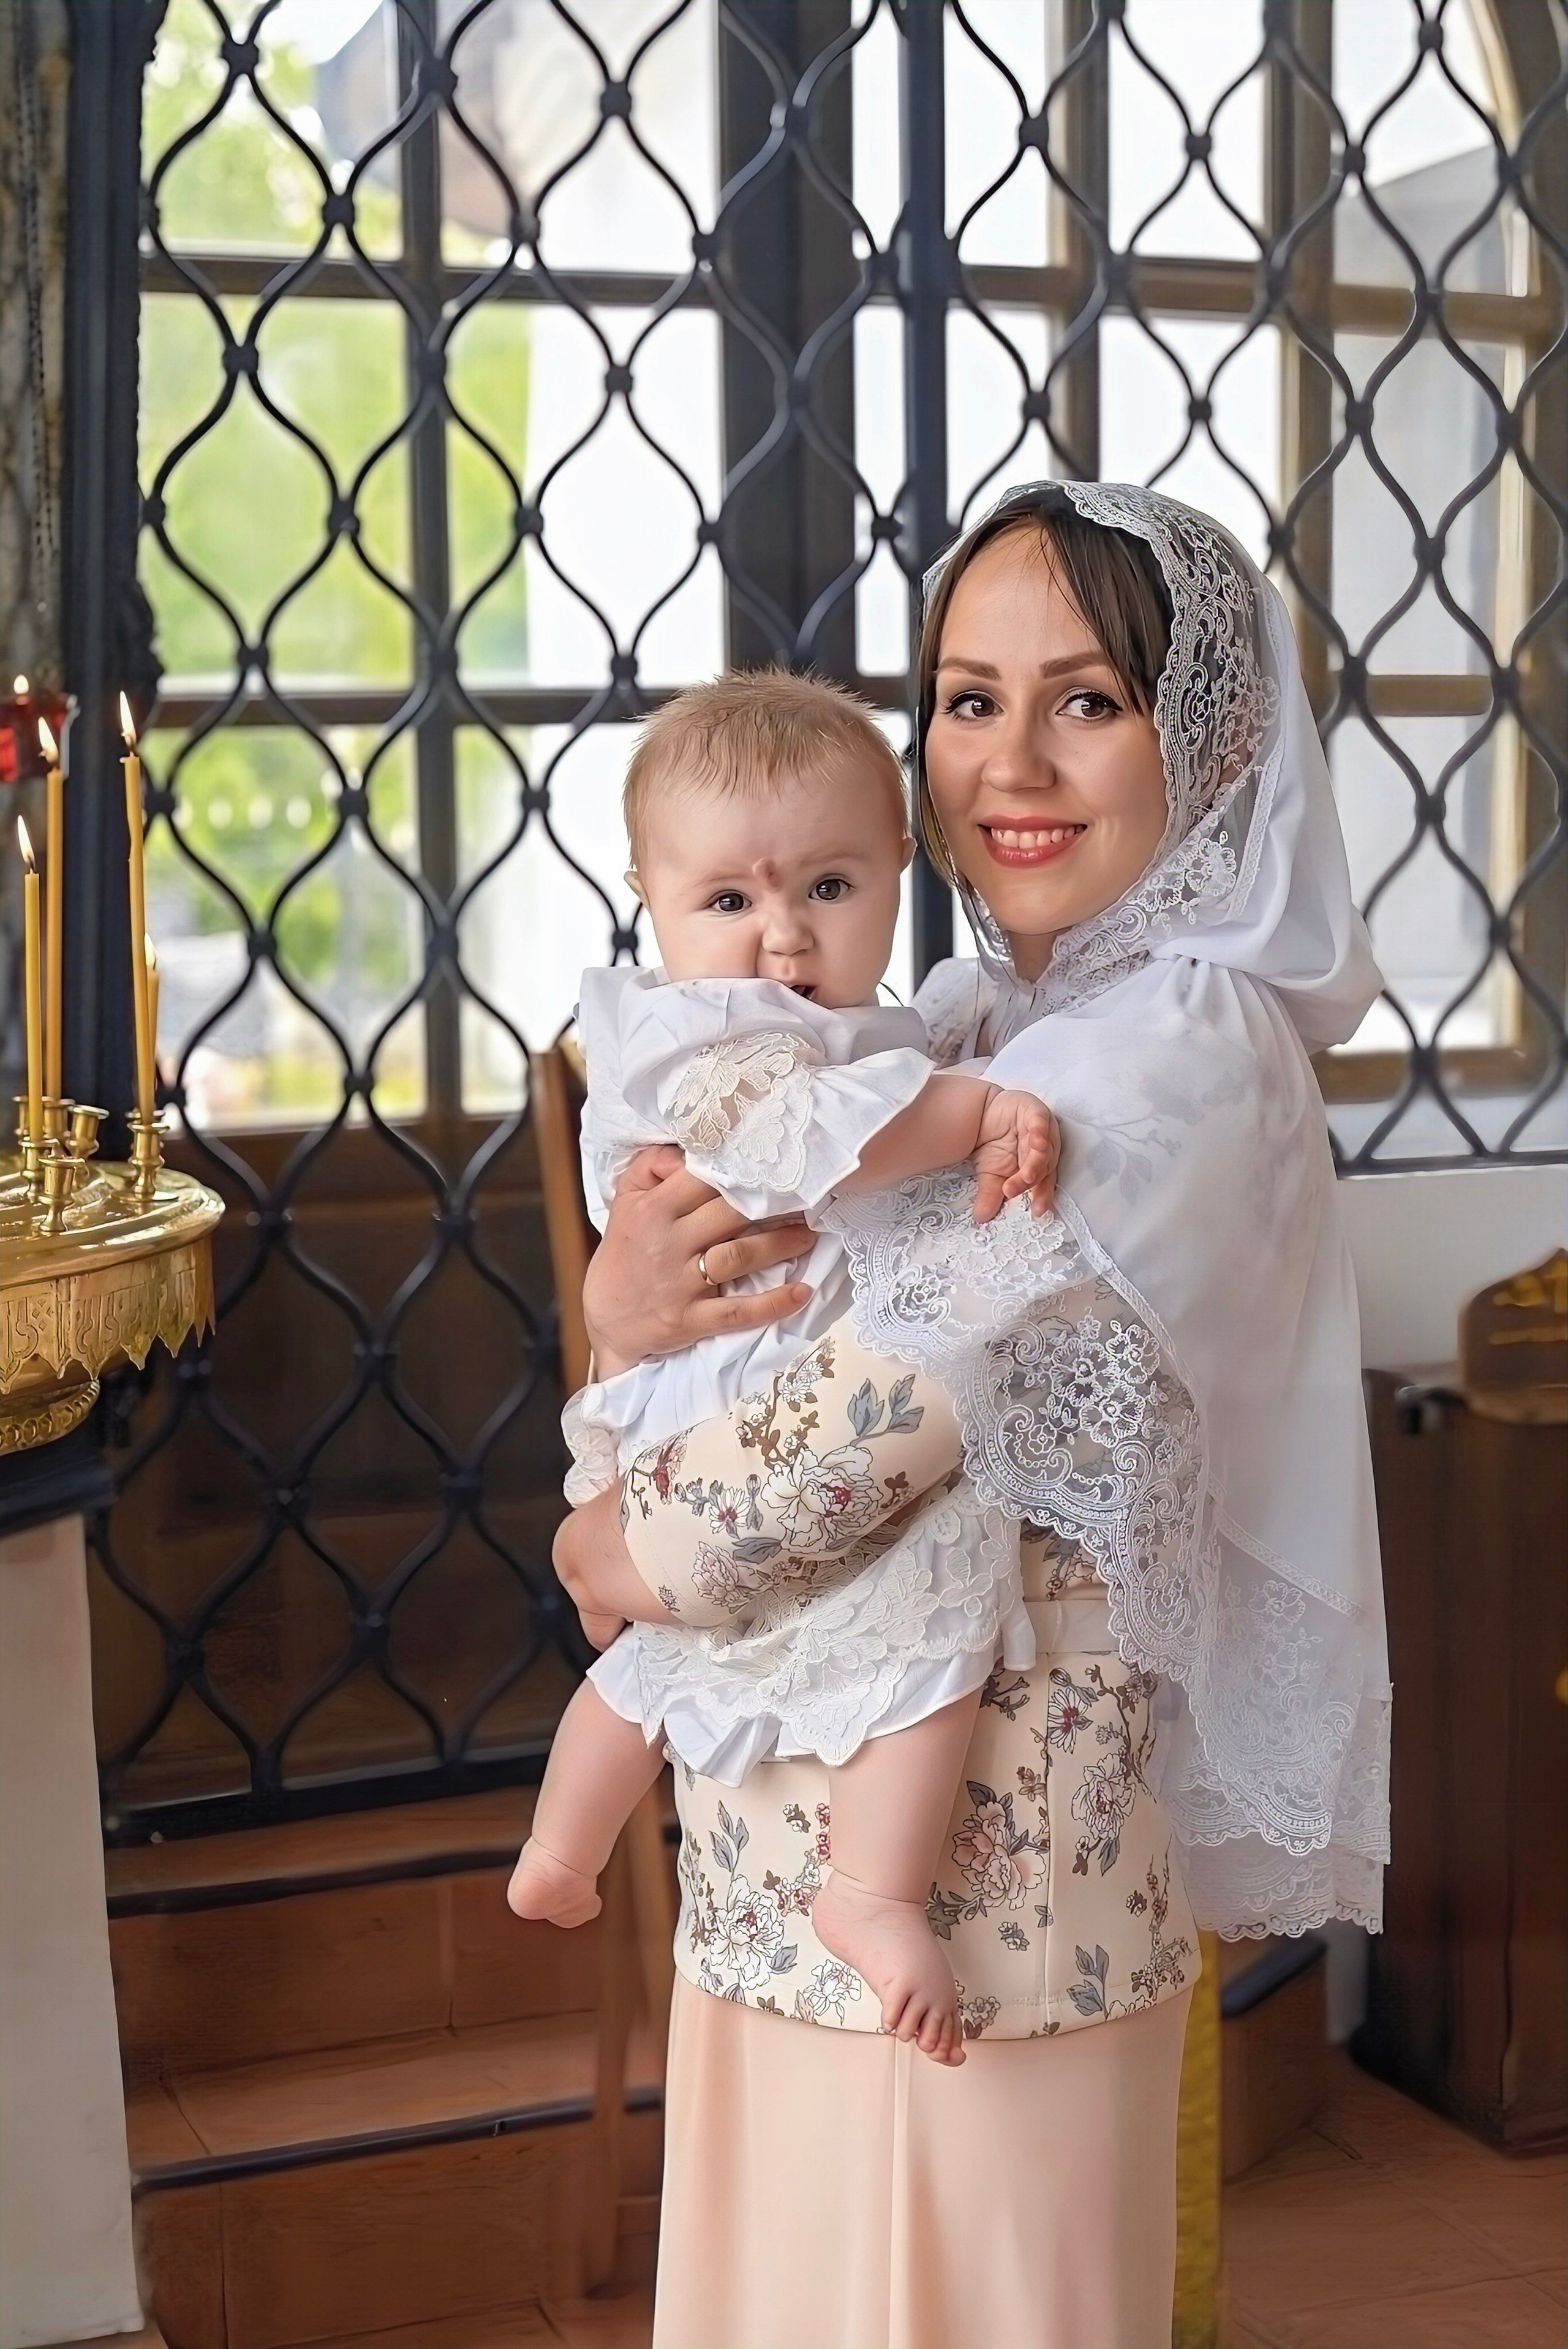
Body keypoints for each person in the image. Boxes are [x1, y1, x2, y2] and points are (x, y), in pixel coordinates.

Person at [553, 483, 1390, 2349]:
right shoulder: (962, 1018)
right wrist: (620, 1318)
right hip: (796, 1837)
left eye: (1087, 700)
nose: (1008, 759)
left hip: (997, 1890)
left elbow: (893, 1405)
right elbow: (709, 1299)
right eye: (964, 695)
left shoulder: (1171, 1049)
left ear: (1215, 736)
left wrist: (609, 1535)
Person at [509, 672, 1058, 2065]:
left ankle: (569, 1852)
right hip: (727, 1397)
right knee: (938, 1617)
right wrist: (982, 1111)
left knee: (666, 1661)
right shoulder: (702, 1041)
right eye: (730, 902)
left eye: (826, 885)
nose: (782, 938)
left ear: (894, 875)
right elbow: (819, 1142)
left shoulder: (862, 1028)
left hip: (751, 1396)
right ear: (648, 897)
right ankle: (866, 1890)